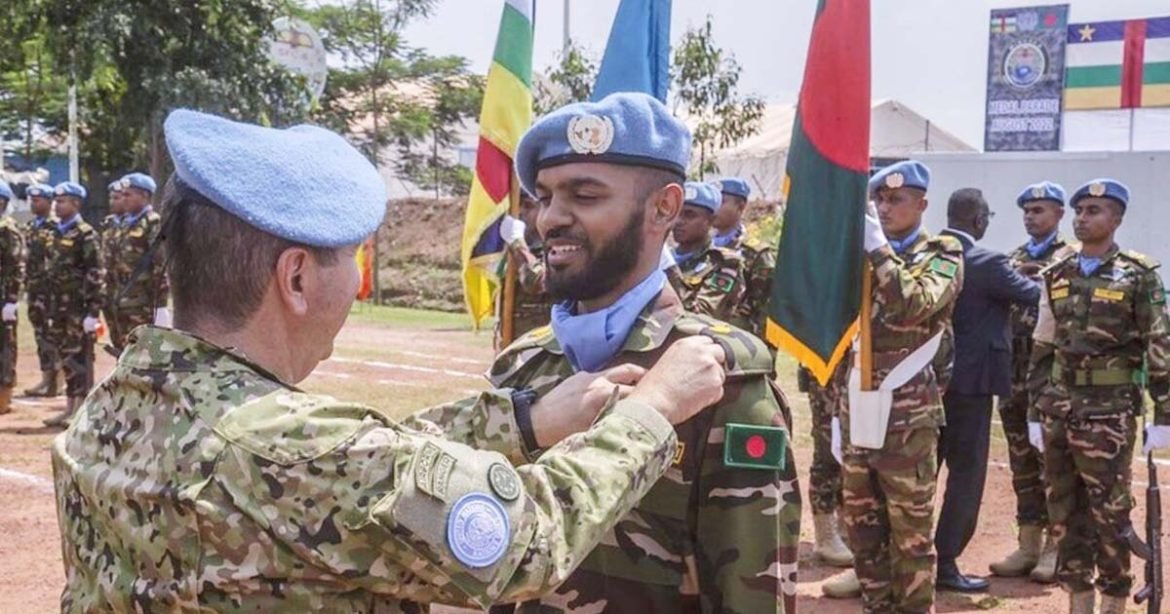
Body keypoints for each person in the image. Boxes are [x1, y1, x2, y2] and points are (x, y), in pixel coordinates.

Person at [51, 108, 732, 611]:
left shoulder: (108, 414)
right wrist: (652, 409)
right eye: (352, 260)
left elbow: (350, 467)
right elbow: (527, 541)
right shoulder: (291, 450)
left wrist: (520, 423)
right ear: (295, 279)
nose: (356, 284)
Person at [452, 92, 799, 613]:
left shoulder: (720, 384)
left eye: (584, 196)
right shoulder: (524, 367)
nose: (549, 220)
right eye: (544, 197)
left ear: (664, 207)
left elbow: (752, 596)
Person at [825, 160, 964, 613]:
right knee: (863, 531)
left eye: (896, 200)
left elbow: (913, 306)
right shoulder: (856, 255)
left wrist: (880, 250)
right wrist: (833, 411)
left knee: (910, 534)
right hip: (856, 403)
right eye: (879, 199)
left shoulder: (942, 253)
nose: (884, 208)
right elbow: (839, 336)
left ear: (922, 205)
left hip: (908, 412)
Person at [1027, 178, 1170, 614]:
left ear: (1117, 219)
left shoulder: (1138, 275)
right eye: (1080, 210)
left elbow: (1159, 344)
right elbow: (1043, 345)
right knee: (1064, 509)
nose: (1083, 218)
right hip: (1060, 408)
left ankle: (1114, 598)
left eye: (1094, 210)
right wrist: (1035, 409)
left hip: (1110, 412)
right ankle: (1079, 599)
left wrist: (1163, 414)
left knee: (1110, 513)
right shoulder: (1057, 274)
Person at [934, 188, 1039, 592]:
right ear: (980, 221)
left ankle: (908, 556)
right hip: (971, 386)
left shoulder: (931, 254)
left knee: (922, 471)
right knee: (966, 475)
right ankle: (946, 563)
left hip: (927, 384)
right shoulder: (988, 261)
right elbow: (1034, 296)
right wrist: (1025, 274)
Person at [990, 181, 1071, 582]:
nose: (1030, 216)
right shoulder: (1011, 259)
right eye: (1027, 210)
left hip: (1050, 380)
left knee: (1052, 462)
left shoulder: (1071, 260)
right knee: (1022, 461)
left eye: (1039, 209)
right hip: (1012, 377)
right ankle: (1028, 543)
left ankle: (1058, 547)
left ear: (1059, 214)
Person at [41, 182, 104, 427]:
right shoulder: (56, 232)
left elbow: (96, 273)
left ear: (76, 203)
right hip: (58, 308)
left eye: (62, 201)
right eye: (56, 201)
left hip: (78, 309)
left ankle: (82, 411)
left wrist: (93, 312)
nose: (57, 205)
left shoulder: (85, 233)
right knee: (66, 357)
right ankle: (69, 407)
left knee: (81, 359)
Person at [106, 172, 169, 353]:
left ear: (145, 196)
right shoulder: (124, 224)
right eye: (122, 194)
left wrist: (161, 305)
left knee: (145, 354)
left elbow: (161, 266)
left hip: (143, 305)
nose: (123, 199)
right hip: (121, 301)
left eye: (128, 195)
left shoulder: (153, 223)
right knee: (124, 353)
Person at [800, 359, 854, 568]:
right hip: (825, 365)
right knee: (828, 448)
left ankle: (845, 526)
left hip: (858, 365)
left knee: (854, 450)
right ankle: (825, 535)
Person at [671, 181, 746, 322]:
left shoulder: (724, 263)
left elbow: (703, 315)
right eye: (677, 213)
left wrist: (669, 271)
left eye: (689, 215)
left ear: (711, 220)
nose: (678, 221)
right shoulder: (660, 257)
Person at [713, 177, 776, 339]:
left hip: (739, 340)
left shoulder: (756, 253)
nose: (714, 208)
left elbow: (766, 309)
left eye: (721, 202)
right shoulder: (702, 246)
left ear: (740, 207)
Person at [496, 194, 553, 349]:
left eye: (528, 206)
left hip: (542, 348)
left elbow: (536, 282)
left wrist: (517, 244)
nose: (519, 212)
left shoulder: (557, 248)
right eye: (516, 206)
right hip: (513, 344)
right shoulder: (514, 251)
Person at [23, 183, 60, 397]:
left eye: (37, 200)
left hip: (51, 291)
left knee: (54, 335)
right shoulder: (31, 226)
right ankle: (46, 377)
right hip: (34, 289)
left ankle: (58, 380)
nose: (33, 203)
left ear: (49, 202)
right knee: (40, 334)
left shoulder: (55, 227)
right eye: (31, 200)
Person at [0, 181, 23, 414]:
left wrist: (12, 300)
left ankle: (4, 397)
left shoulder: (8, 229)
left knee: (5, 348)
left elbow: (16, 267)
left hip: (3, 298)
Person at [100, 180, 126, 350]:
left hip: (132, 295)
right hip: (110, 292)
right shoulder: (109, 224)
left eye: (117, 197)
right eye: (111, 198)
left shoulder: (138, 224)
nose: (113, 202)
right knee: (116, 338)